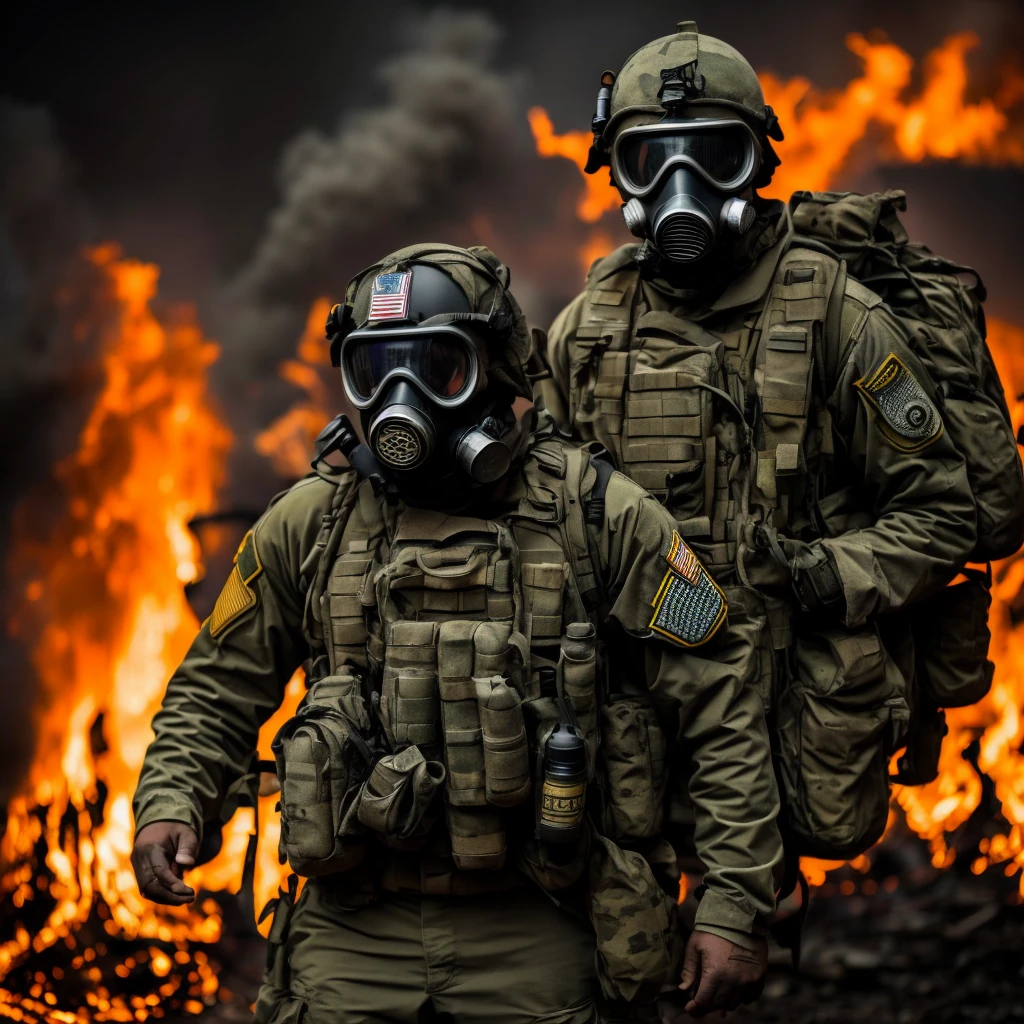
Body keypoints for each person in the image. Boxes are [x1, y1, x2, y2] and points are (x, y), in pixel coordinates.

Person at [131, 244, 784, 1023]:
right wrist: (172, 797)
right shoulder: (310, 522)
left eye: (437, 367)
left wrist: (735, 903)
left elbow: (719, 699)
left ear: (495, 372)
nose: (399, 398)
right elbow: (219, 681)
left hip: (545, 916)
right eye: (375, 373)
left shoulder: (595, 513)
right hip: (353, 925)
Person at [540, 23, 980, 864]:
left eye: (713, 156)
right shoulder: (588, 329)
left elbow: (943, 514)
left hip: (791, 710)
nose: (681, 186)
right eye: (649, 161)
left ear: (758, 166)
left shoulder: (834, 313)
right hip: (639, 714)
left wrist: (823, 574)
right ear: (618, 177)